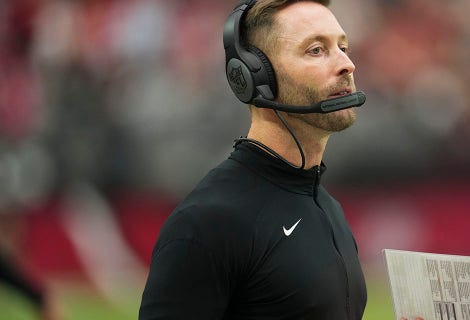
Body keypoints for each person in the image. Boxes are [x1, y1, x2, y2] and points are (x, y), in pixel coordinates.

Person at [138, 0, 367, 319]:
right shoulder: (208, 222)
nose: (346, 64)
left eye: (343, 47)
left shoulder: (328, 209)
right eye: (316, 50)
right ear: (256, 75)